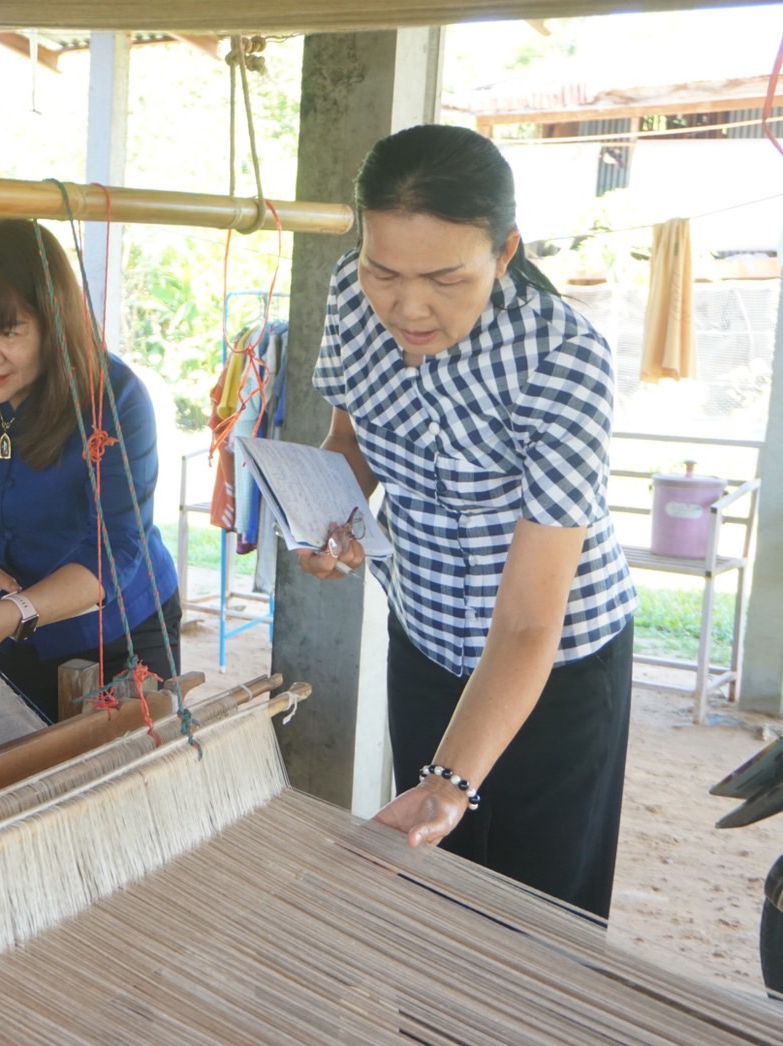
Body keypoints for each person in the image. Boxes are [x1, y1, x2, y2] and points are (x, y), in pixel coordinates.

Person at [298, 124, 638, 919]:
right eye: (385, 271)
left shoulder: (563, 357)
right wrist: (328, 519)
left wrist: (448, 782)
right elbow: (350, 442)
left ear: (504, 252)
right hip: (426, 637)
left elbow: (526, 623)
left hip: (555, 666)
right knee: (432, 901)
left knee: (537, 917)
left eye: (446, 279)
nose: (407, 307)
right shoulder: (350, 294)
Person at [0, 219, 181, 723]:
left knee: (124, 765)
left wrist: (15, 612)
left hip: (121, 629)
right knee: (39, 757)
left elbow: (116, 548)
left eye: (8, 330)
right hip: (9, 631)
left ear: (53, 325)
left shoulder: (114, 398)